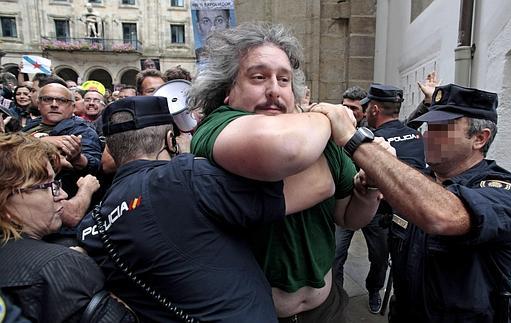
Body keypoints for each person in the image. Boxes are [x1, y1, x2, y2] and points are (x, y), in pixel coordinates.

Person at [189, 22, 381, 322]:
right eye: (258, 77)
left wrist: (368, 190)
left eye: (284, 79)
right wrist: (332, 118)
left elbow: (348, 217)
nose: (274, 90)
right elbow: (285, 149)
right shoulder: (216, 127)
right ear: (228, 91)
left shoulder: (317, 137)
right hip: (251, 313)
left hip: (325, 308)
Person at [77, 96, 314, 322]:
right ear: (171, 140)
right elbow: (316, 184)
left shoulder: (91, 226)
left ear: (110, 148)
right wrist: (327, 121)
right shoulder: (186, 176)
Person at [311, 83, 511, 322]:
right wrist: (369, 185)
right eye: (429, 126)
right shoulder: (421, 180)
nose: (427, 135)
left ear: (479, 138)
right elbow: (365, 212)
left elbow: (441, 213)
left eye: (442, 128)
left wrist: (353, 139)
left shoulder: (508, 194)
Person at [0, 133, 136, 322]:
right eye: (48, 186)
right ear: (6, 199)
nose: (62, 194)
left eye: (57, 183)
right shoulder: (58, 266)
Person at [333, 83, 426, 314]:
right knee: (335, 254)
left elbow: (403, 127)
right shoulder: (350, 130)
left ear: (369, 110)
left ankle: (374, 290)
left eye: (355, 108)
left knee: (379, 258)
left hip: (378, 212)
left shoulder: (377, 136)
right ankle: (336, 296)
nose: (350, 113)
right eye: (345, 107)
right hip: (346, 203)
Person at [22, 83, 102, 245]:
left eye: (61, 100)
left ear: (72, 106)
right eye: (47, 99)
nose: (54, 104)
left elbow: (94, 164)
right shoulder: (30, 128)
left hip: (62, 225)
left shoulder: (82, 131)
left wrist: (78, 159)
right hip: (24, 216)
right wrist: (42, 141)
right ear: (38, 103)